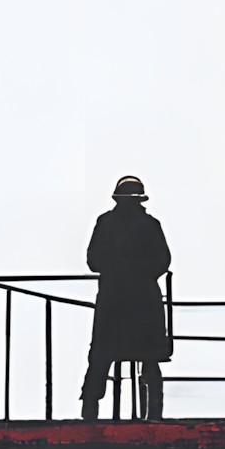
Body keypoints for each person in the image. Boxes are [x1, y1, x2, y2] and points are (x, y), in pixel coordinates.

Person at [80, 175, 172, 420]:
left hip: (116, 303)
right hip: (138, 305)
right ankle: (153, 417)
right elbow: (162, 261)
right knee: (145, 360)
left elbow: (94, 261)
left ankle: (90, 417)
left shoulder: (108, 223)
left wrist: (119, 268)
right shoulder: (149, 225)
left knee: (102, 359)